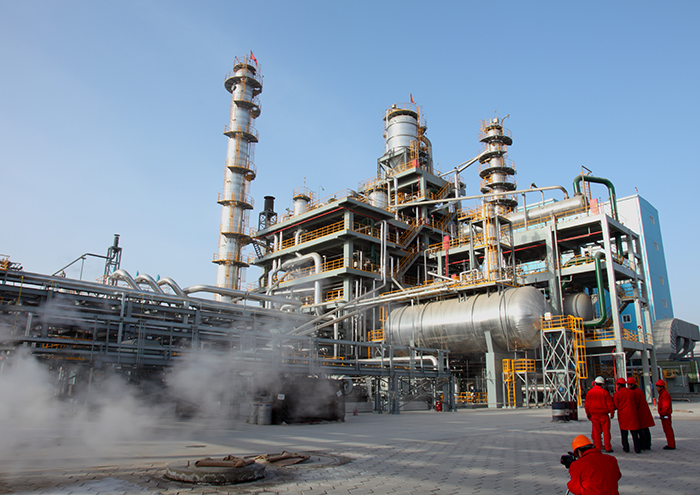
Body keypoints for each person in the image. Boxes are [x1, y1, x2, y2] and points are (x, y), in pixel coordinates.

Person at [584, 376, 616, 452]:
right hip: (604, 415)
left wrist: (588, 414)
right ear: (602, 384)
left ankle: (598, 448)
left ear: (595, 383)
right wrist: (612, 413)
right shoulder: (605, 393)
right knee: (606, 432)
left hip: (594, 415)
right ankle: (608, 447)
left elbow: (586, 405)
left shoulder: (590, 393)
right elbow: (610, 404)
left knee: (596, 432)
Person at [613, 378, 641, 453]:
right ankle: (637, 449)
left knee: (624, 434)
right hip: (632, 414)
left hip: (623, 416)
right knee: (634, 433)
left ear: (618, 385)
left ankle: (626, 448)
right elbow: (637, 403)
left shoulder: (616, 394)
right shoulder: (632, 393)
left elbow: (615, 405)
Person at [628, 376, 655, 450]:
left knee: (641, 430)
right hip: (643, 413)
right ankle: (647, 445)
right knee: (645, 429)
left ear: (632, 385)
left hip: (640, 413)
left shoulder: (635, 392)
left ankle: (643, 445)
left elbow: (635, 403)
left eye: (629, 385)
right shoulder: (639, 391)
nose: (628, 387)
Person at [656, 379, 676, 450]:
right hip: (665, 415)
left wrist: (663, 414)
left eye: (657, 386)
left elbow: (665, 405)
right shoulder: (663, 394)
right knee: (667, 430)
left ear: (661, 387)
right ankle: (670, 443)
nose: (656, 388)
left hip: (666, 415)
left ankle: (671, 444)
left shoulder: (664, 394)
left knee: (668, 430)